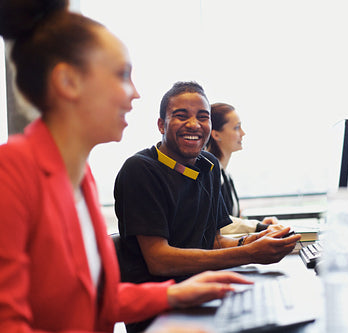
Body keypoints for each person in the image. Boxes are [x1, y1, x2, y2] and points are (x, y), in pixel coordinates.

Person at [0, 1, 253, 332]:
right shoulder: (12, 171)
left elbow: (94, 302)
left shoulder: (81, 178)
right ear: (68, 82)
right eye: (121, 76)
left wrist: (174, 295)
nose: (134, 93)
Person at [114, 82, 301, 284]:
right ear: (161, 124)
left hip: (201, 288)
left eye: (203, 117)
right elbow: (159, 260)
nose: (194, 124)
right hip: (161, 304)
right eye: (181, 116)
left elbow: (213, 242)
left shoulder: (209, 165)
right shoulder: (141, 170)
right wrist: (249, 253)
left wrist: (252, 241)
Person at [206, 102, 281, 234]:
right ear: (216, 134)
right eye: (236, 128)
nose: (243, 133)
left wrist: (261, 225)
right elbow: (219, 224)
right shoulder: (208, 174)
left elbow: (231, 221)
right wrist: (258, 227)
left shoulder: (225, 174)